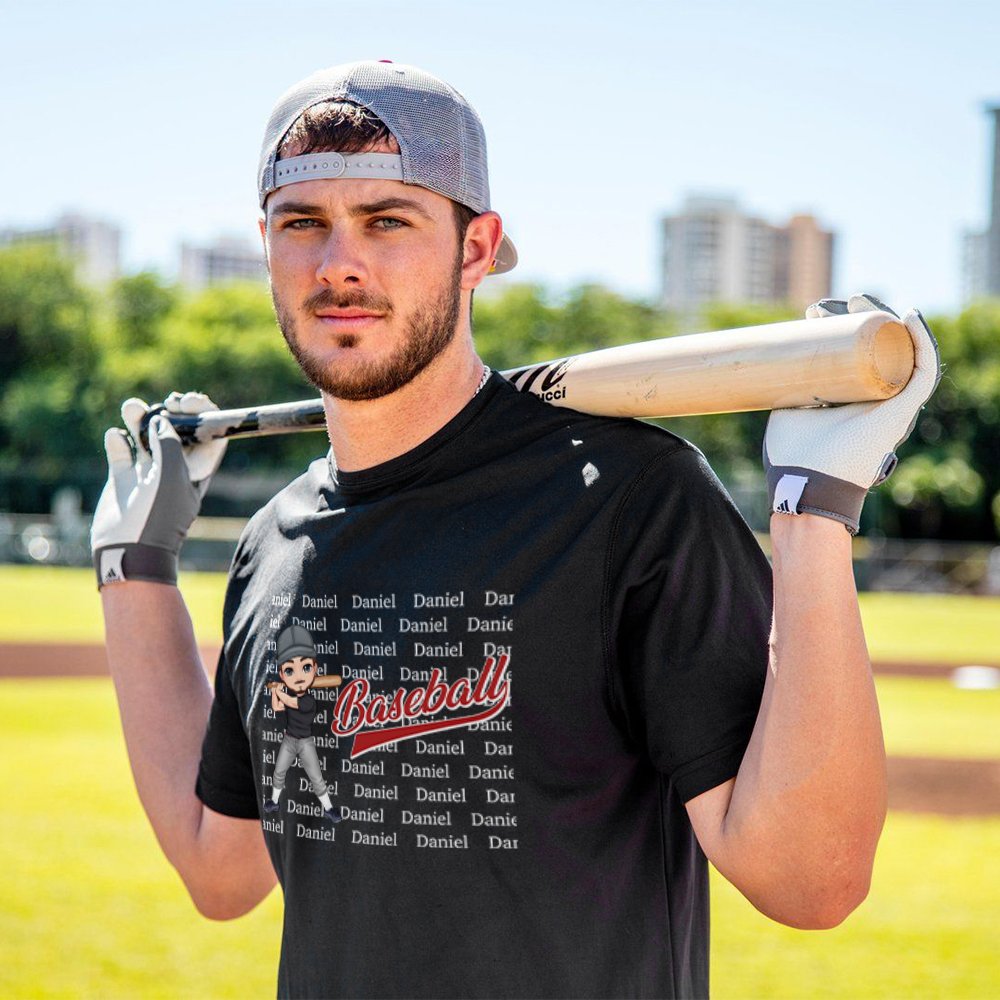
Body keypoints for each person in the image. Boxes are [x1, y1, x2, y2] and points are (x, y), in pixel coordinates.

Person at [91, 60, 940, 999]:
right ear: (266, 245)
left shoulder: (630, 501)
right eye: (303, 223)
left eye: (386, 220)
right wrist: (133, 569)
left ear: (477, 249)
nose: (337, 264)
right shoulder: (276, 544)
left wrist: (814, 510)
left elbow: (812, 880)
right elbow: (220, 871)